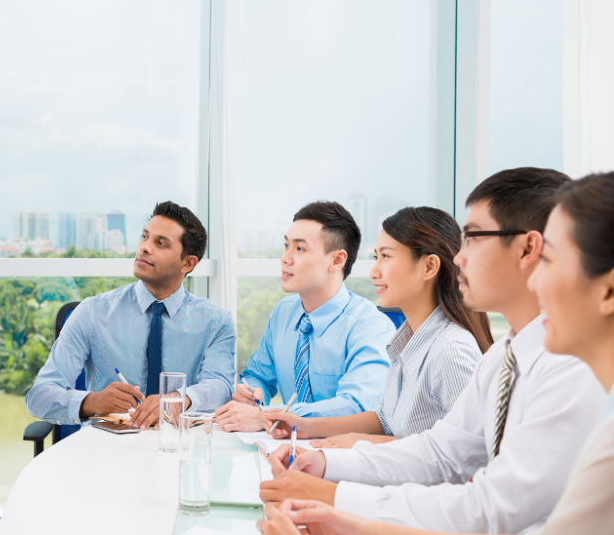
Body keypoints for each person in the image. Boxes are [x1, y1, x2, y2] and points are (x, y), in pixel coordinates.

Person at [254, 170, 614, 535]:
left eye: (471, 238)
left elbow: (492, 508)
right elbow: (444, 453)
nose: (458, 258)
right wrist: (328, 468)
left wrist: (338, 498)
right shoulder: (502, 357)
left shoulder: (568, 372)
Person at [262, 207, 492, 448]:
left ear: (429, 267)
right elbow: (386, 419)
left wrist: (368, 444)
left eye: (386, 256)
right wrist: (304, 426)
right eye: (375, 258)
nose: (374, 272)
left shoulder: (450, 351)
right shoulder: (404, 343)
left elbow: (469, 457)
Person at [25, 201, 236, 429]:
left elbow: (221, 386)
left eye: (161, 243)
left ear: (187, 263)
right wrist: (92, 402)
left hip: (180, 446)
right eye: (144, 237)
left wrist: (178, 400)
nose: (144, 247)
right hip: (108, 450)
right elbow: (39, 397)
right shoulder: (93, 313)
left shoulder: (216, 321)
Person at [216, 202, 394, 432]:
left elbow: (357, 406)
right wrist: (253, 393)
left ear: (337, 260)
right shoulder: (283, 312)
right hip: (282, 450)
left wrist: (268, 417)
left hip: (341, 455)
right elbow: (257, 375)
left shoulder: (370, 326)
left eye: (299, 249)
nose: (285, 258)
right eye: (286, 246)